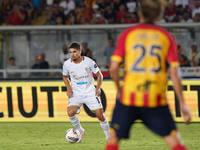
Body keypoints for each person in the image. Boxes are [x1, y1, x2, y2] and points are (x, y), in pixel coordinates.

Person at [106, 0, 191, 150]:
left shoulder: (128, 34)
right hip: (155, 98)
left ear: (140, 13)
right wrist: (182, 103)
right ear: (159, 15)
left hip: (129, 97)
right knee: (174, 139)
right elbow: (174, 73)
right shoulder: (166, 36)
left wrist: (119, 89)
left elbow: (113, 67)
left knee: (113, 139)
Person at [62, 41, 110, 143]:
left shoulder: (89, 62)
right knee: (70, 112)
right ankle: (80, 130)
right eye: (70, 52)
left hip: (89, 92)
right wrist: (68, 88)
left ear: (80, 51)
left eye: (74, 52)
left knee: (100, 116)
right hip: (76, 93)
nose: (72, 54)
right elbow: (65, 76)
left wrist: (98, 88)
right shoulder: (67, 64)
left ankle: (108, 138)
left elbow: (99, 75)